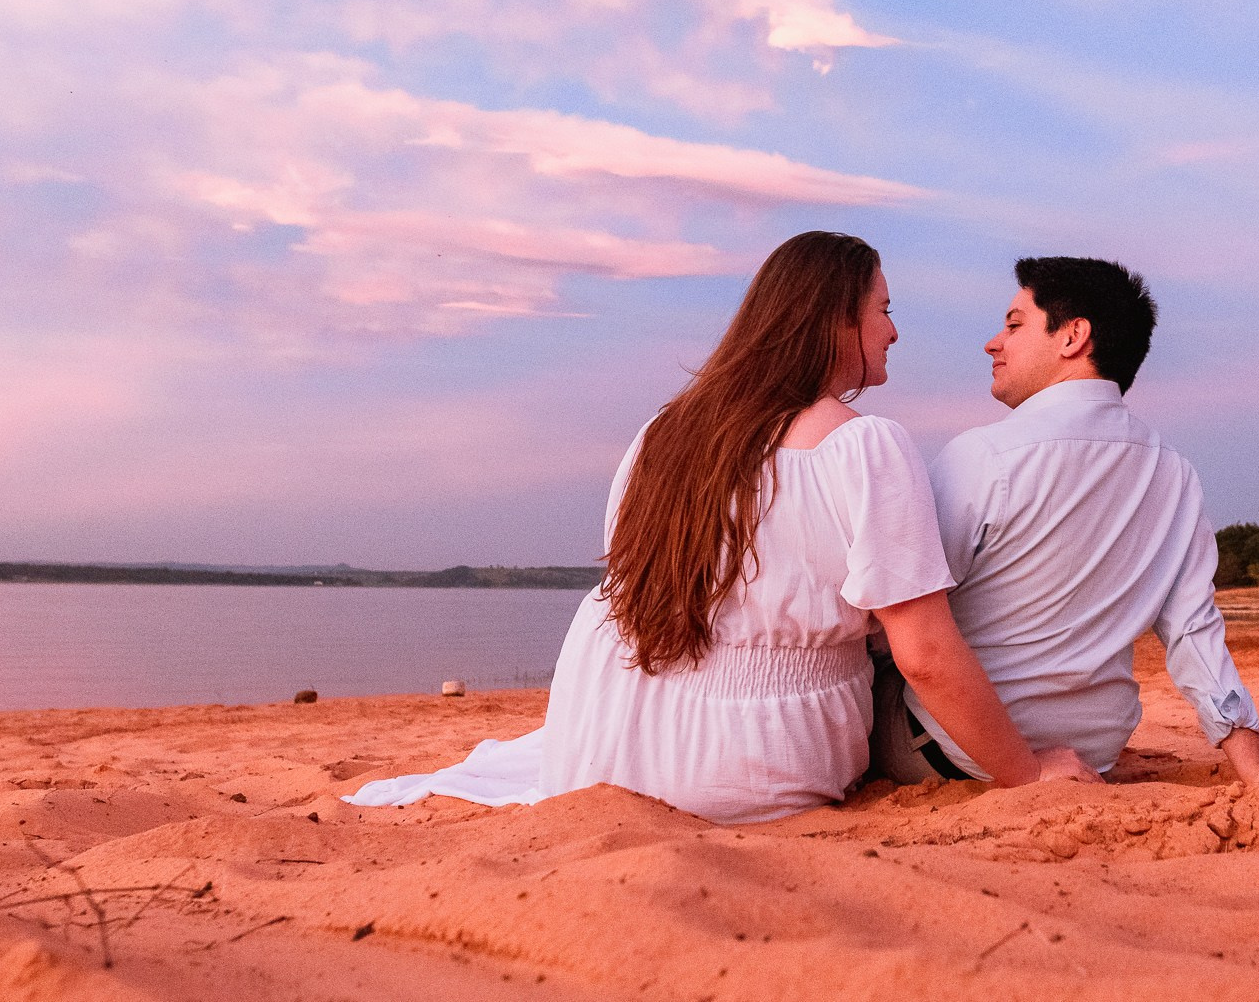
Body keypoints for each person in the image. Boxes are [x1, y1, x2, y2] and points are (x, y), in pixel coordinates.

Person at [349, 232, 1096, 823]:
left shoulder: (660, 434)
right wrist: (1029, 773)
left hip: (604, 735)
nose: (895, 330)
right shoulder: (863, 444)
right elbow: (925, 651)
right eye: (884, 309)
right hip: (754, 758)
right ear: (836, 318)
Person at [871, 256, 1259, 789]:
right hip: (1093, 755)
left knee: (873, 643)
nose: (994, 343)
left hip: (954, 756)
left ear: (1073, 337)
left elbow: (904, 631)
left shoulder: (982, 455)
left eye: (1014, 325)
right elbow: (1193, 630)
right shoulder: (1172, 471)